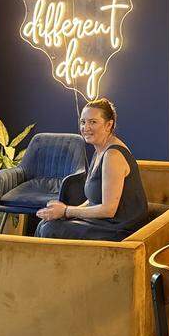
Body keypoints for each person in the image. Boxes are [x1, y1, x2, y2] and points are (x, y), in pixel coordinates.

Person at [35, 97, 148, 241]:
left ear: (108, 125)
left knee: (49, 229)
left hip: (120, 228)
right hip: (105, 223)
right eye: (83, 122)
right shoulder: (99, 150)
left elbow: (108, 209)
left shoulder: (113, 155)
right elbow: (93, 201)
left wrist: (66, 211)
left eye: (93, 122)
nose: (85, 128)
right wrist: (64, 210)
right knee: (45, 224)